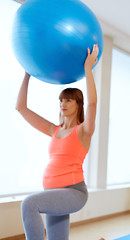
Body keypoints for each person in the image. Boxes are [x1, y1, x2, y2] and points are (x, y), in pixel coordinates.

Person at [16, 44, 99, 240]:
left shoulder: (84, 131)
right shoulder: (54, 130)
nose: (63, 104)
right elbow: (21, 107)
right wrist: (27, 74)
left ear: (78, 104)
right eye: (61, 100)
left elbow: (93, 103)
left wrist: (88, 69)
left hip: (73, 192)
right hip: (53, 193)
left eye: (68, 100)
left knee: (29, 204)